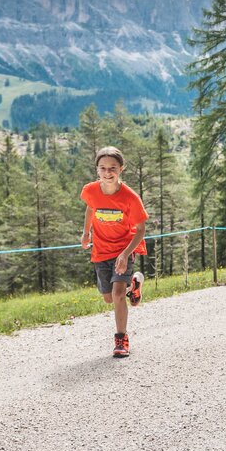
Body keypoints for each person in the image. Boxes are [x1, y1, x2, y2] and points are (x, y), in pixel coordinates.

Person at [80, 146, 149, 358]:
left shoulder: (130, 197)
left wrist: (126, 254)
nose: (107, 172)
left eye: (112, 168)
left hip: (123, 249)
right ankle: (134, 284)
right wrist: (86, 233)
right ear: (97, 169)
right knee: (109, 298)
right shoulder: (90, 191)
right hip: (101, 250)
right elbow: (91, 208)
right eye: (103, 168)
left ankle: (121, 340)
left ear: (121, 169)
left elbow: (141, 229)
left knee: (118, 295)